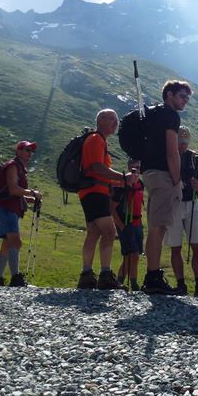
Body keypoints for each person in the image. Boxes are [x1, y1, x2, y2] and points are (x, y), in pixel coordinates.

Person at [76, 109, 139, 291]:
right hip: (95, 192)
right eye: (111, 119)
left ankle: (87, 275)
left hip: (90, 192)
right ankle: (105, 275)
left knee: (94, 232)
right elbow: (97, 167)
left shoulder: (96, 140)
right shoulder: (96, 139)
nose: (115, 122)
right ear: (101, 120)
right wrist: (123, 177)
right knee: (110, 232)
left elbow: (98, 171)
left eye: (116, 119)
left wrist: (120, 181)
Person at [140, 80, 192, 295]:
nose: (185, 101)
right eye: (182, 96)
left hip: (148, 172)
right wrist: (177, 180)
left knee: (154, 224)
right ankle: (153, 277)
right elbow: (172, 151)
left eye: (187, 98)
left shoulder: (153, 114)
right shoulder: (171, 116)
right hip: (163, 175)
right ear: (169, 94)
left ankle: (151, 274)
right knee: (159, 227)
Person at [164, 126, 198, 296]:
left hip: (192, 203)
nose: (182, 145)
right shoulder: (166, 156)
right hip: (174, 204)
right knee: (175, 246)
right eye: (179, 142)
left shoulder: (196, 158)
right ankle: (181, 284)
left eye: (185, 142)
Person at [0, 140, 42, 287]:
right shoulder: (13, 166)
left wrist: (31, 199)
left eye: (32, 151)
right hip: (7, 208)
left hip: (10, 208)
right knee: (16, 241)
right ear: (18, 151)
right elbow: (13, 189)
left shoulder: (19, 167)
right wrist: (33, 193)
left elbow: (14, 192)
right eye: (27, 150)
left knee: (7, 244)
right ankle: (16, 278)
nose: (30, 153)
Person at [113, 158, 144, 292]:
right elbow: (112, 208)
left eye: (138, 168)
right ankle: (134, 285)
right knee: (133, 254)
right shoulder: (122, 185)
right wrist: (121, 226)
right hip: (125, 223)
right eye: (133, 168)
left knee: (131, 256)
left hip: (137, 223)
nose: (136, 171)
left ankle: (120, 282)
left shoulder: (140, 184)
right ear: (129, 168)